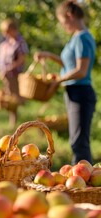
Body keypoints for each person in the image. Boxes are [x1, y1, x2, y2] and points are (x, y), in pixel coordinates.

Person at [34, 0, 96, 165]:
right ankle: (82, 179)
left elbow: (81, 71)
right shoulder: (76, 37)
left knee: (79, 142)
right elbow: (68, 65)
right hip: (74, 92)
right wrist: (49, 56)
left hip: (81, 93)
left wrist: (57, 81)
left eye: (62, 22)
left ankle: (84, 184)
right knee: (76, 140)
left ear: (70, 15)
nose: (63, 26)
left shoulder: (83, 38)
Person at [0, 18, 29, 128]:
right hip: (6, 75)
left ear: (12, 29)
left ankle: (14, 122)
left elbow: (21, 59)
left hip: (15, 75)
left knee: (14, 98)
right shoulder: (5, 43)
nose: (5, 33)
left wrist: (8, 69)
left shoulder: (20, 42)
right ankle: (13, 120)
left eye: (6, 31)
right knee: (8, 97)